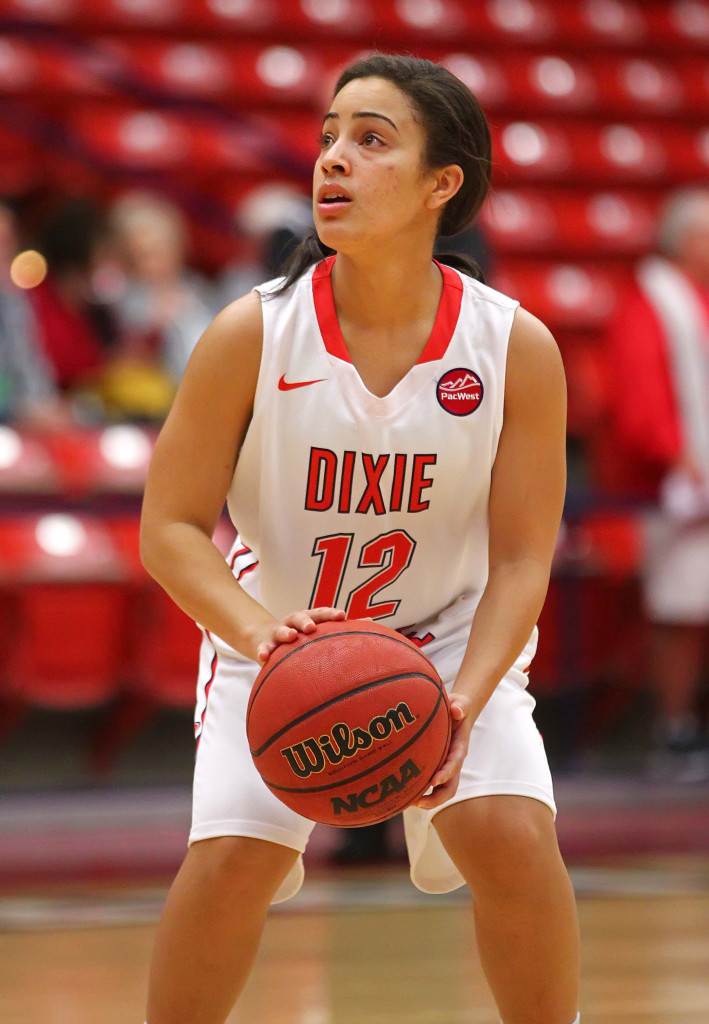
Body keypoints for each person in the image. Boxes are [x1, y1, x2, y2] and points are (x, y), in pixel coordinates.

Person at [140, 55, 580, 1024]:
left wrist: (462, 700)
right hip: (283, 630)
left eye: (371, 141)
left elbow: (519, 562)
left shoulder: (515, 348)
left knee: (512, 835)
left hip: (453, 632)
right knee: (229, 863)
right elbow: (167, 530)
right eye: (329, 136)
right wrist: (262, 636)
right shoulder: (249, 334)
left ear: (441, 184)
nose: (333, 160)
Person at [605, 188, 709, 781]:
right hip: (671, 487)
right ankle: (673, 729)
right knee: (680, 608)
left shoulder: (691, 300)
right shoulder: (651, 303)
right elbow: (640, 396)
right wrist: (676, 453)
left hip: (690, 475)